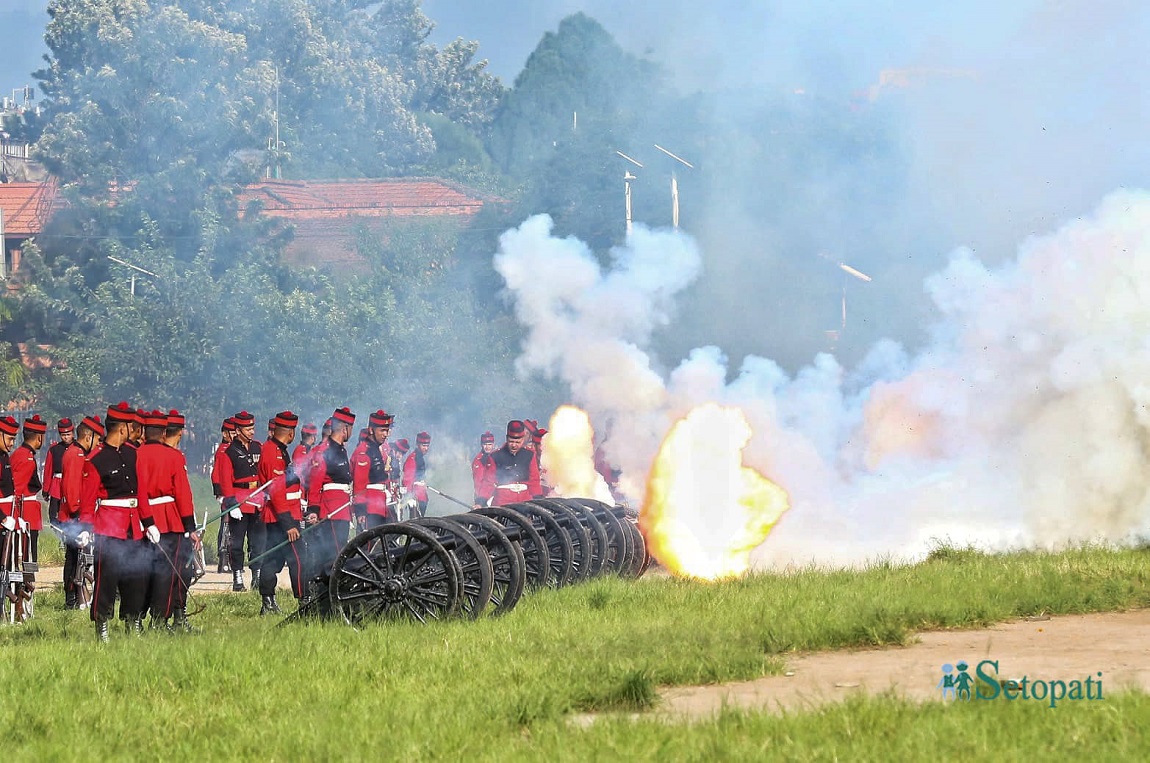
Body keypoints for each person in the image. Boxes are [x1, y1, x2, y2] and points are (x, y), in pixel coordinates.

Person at [81, 402, 147, 641]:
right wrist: (86, 528)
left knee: (136, 578)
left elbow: (141, 492)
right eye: (131, 426)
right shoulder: (96, 458)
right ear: (122, 428)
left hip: (134, 524)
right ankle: (102, 625)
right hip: (109, 527)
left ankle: (133, 621)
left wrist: (148, 523)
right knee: (106, 579)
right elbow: (88, 499)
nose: (134, 429)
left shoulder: (132, 452)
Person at [136, 409, 198, 631]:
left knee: (144, 570)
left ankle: (137, 619)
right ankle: (160, 619)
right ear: (163, 433)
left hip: (143, 518)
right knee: (167, 572)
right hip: (169, 520)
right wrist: (190, 526)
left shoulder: (136, 454)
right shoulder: (173, 457)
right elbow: (182, 493)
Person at [258, 411, 303, 614]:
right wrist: (289, 524)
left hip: (282, 514)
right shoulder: (271, 451)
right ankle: (304, 600)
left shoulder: (279, 449)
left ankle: (268, 602)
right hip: (281, 517)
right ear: (290, 433)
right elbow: (276, 491)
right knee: (298, 559)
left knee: (273, 560)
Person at [59, 415, 102, 609]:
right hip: (72, 516)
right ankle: (71, 599)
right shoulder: (76, 455)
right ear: (88, 437)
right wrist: (78, 513)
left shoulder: (77, 453)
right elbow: (72, 487)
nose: (99, 443)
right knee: (73, 559)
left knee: (77, 559)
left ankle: (75, 597)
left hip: (74, 514)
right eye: (97, 438)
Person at [306, 407, 355, 574]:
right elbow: (315, 483)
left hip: (342, 508)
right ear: (345, 428)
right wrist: (313, 510)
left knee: (341, 549)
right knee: (332, 554)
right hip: (331, 509)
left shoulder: (342, 449)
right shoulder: (323, 451)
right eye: (351, 428)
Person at [218, 411, 262, 592]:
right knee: (236, 542)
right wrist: (230, 504)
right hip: (239, 500)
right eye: (248, 428)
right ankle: (237, 576)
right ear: (238, 430)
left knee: (257, 541)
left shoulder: (258, 447)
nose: (252, 431)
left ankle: (257, 575)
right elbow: (225, 481)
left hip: (257, 498)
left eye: (252, 427)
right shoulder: (228, 452)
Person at [11, 415, 46, 576]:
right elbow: (17, 490)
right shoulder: (26, 457)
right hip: (26, 513)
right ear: (39, 437)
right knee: (27, 555)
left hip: (29, 511)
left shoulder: (22, 453)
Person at [481, 420, 542, 506]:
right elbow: (488, 482)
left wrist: (538, 499)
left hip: (525, 503)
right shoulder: (495, 456)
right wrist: (480, 501)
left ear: (523, 439)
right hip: (503, 503)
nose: (514, 445)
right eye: (511, 441)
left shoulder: (530, 455)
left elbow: (534, 481)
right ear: (506, 438)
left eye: (517, 442)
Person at [353, 410, 395, 529]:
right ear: (371, 430)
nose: (385, 434)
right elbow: (359, 485)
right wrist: (360, 511)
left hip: (380, 504)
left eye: (386, 430)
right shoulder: (363, 451)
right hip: (370, 507)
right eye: (382, 430)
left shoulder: (376, 449)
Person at [210, 417, 235, 573]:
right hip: (227, 492)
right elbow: (216, 474)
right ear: (225, 434)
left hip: (234, 491)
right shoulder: (223, 450)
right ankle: (223, 559)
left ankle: (229, 559)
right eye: (231, 432)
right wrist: (220, 493)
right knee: (226, 523)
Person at [42, 418, 74, 525]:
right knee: (54, 513)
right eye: (63, 435)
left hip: (73, 484)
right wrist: (46, 490)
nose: (66, 437)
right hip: (57, 485)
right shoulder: (54, 449)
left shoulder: (78, 448)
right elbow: (48, 470)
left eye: (68, 434)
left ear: (72, 433)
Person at [402, 431, 431, 518]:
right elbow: (407, 479)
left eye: (427, 446)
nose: (426, 448)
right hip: (416, 497)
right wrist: (409, 496)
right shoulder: (412, 459)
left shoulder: (420, 458)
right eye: (423, 445)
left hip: (421, 495)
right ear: (418, 445)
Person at [470, 431, 495, 508]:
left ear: (493, 445)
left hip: (495, 495)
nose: (487, 447)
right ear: (481, 445)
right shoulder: (478, 461)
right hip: (483, 496)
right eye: (485, 444)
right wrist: (481, 500)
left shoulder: (496, 456)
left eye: (489, 444)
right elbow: (478, 482)